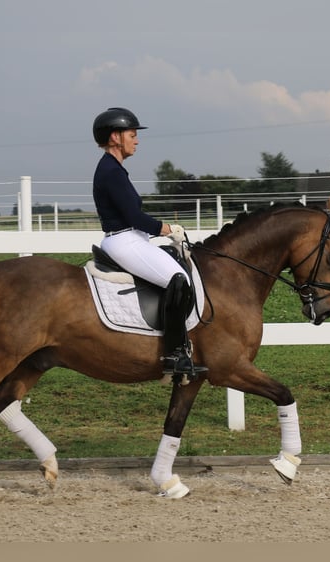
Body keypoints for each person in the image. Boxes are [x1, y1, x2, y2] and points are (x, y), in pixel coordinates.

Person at [92, 107, 207, 378]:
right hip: (125, 240)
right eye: (132, 134)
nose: (137, 140)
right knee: (178, 278)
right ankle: (175, 354)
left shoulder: (114, 168)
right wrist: (166, 228)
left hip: (131, 238)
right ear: (115, 137)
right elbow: (133, 216)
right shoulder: (111, 171)